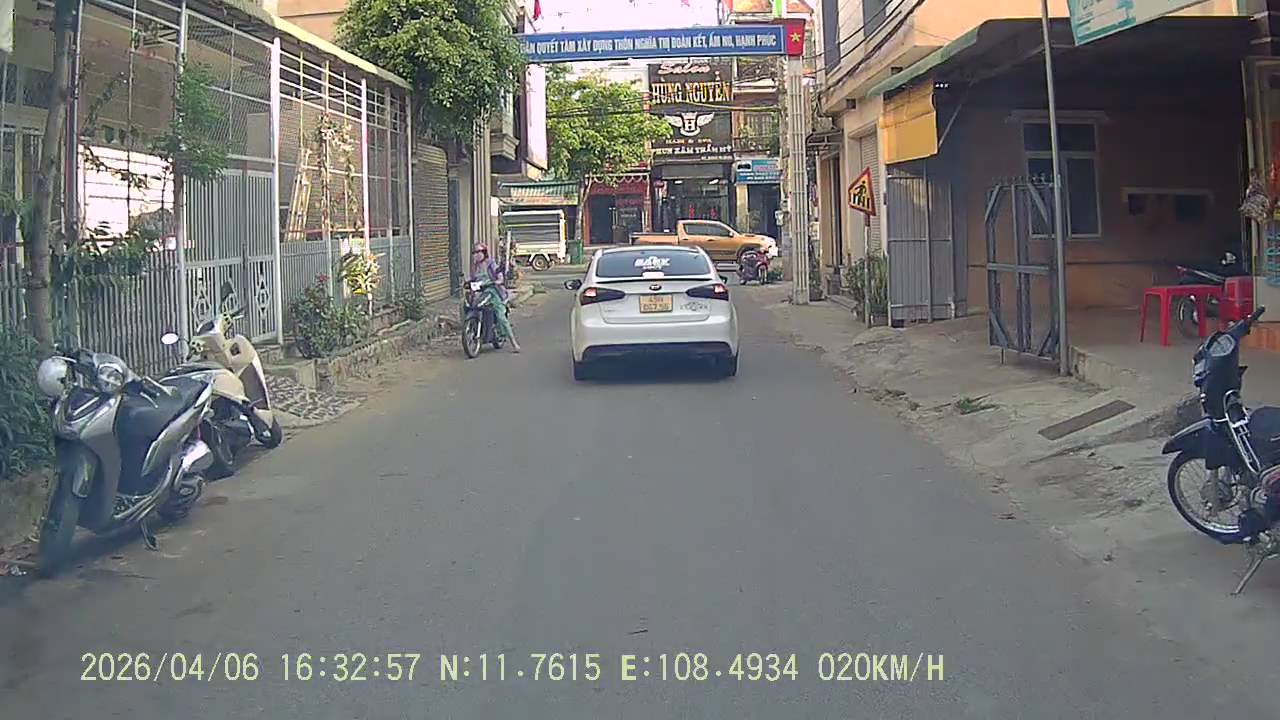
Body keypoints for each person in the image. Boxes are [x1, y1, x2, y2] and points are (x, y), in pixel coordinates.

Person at [470, 243, 520, 353]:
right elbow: (473, 280)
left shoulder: (491, 263)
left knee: (501, 316)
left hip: (493, 292)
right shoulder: (475, 267)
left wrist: (497, 281)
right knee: (467, 307)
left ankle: (514, 343)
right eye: (474, 252)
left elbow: (499, 276)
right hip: (479, 293)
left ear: (484, 253)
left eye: (478, 252)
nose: (476, 255)